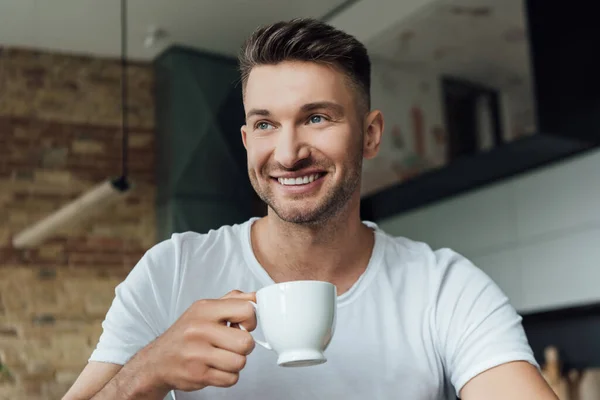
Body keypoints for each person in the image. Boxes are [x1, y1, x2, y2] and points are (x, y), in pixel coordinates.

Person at [64, 18, 558, 400]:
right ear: (246, 139)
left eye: (316, 118)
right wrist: (144, 375)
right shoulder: (170, 271)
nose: (287, 152)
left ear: (369, 134)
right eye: (264, 125)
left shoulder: (445, 288)